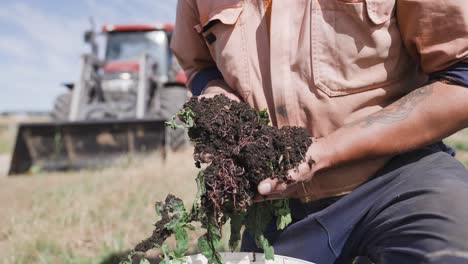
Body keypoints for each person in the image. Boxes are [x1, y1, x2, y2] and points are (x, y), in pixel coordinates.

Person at [170, 0, 468, 263]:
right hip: (279, 205)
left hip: (401, 177)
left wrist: (324, 151)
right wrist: (215, 96)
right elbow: (199, 66)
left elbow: (461, 77)